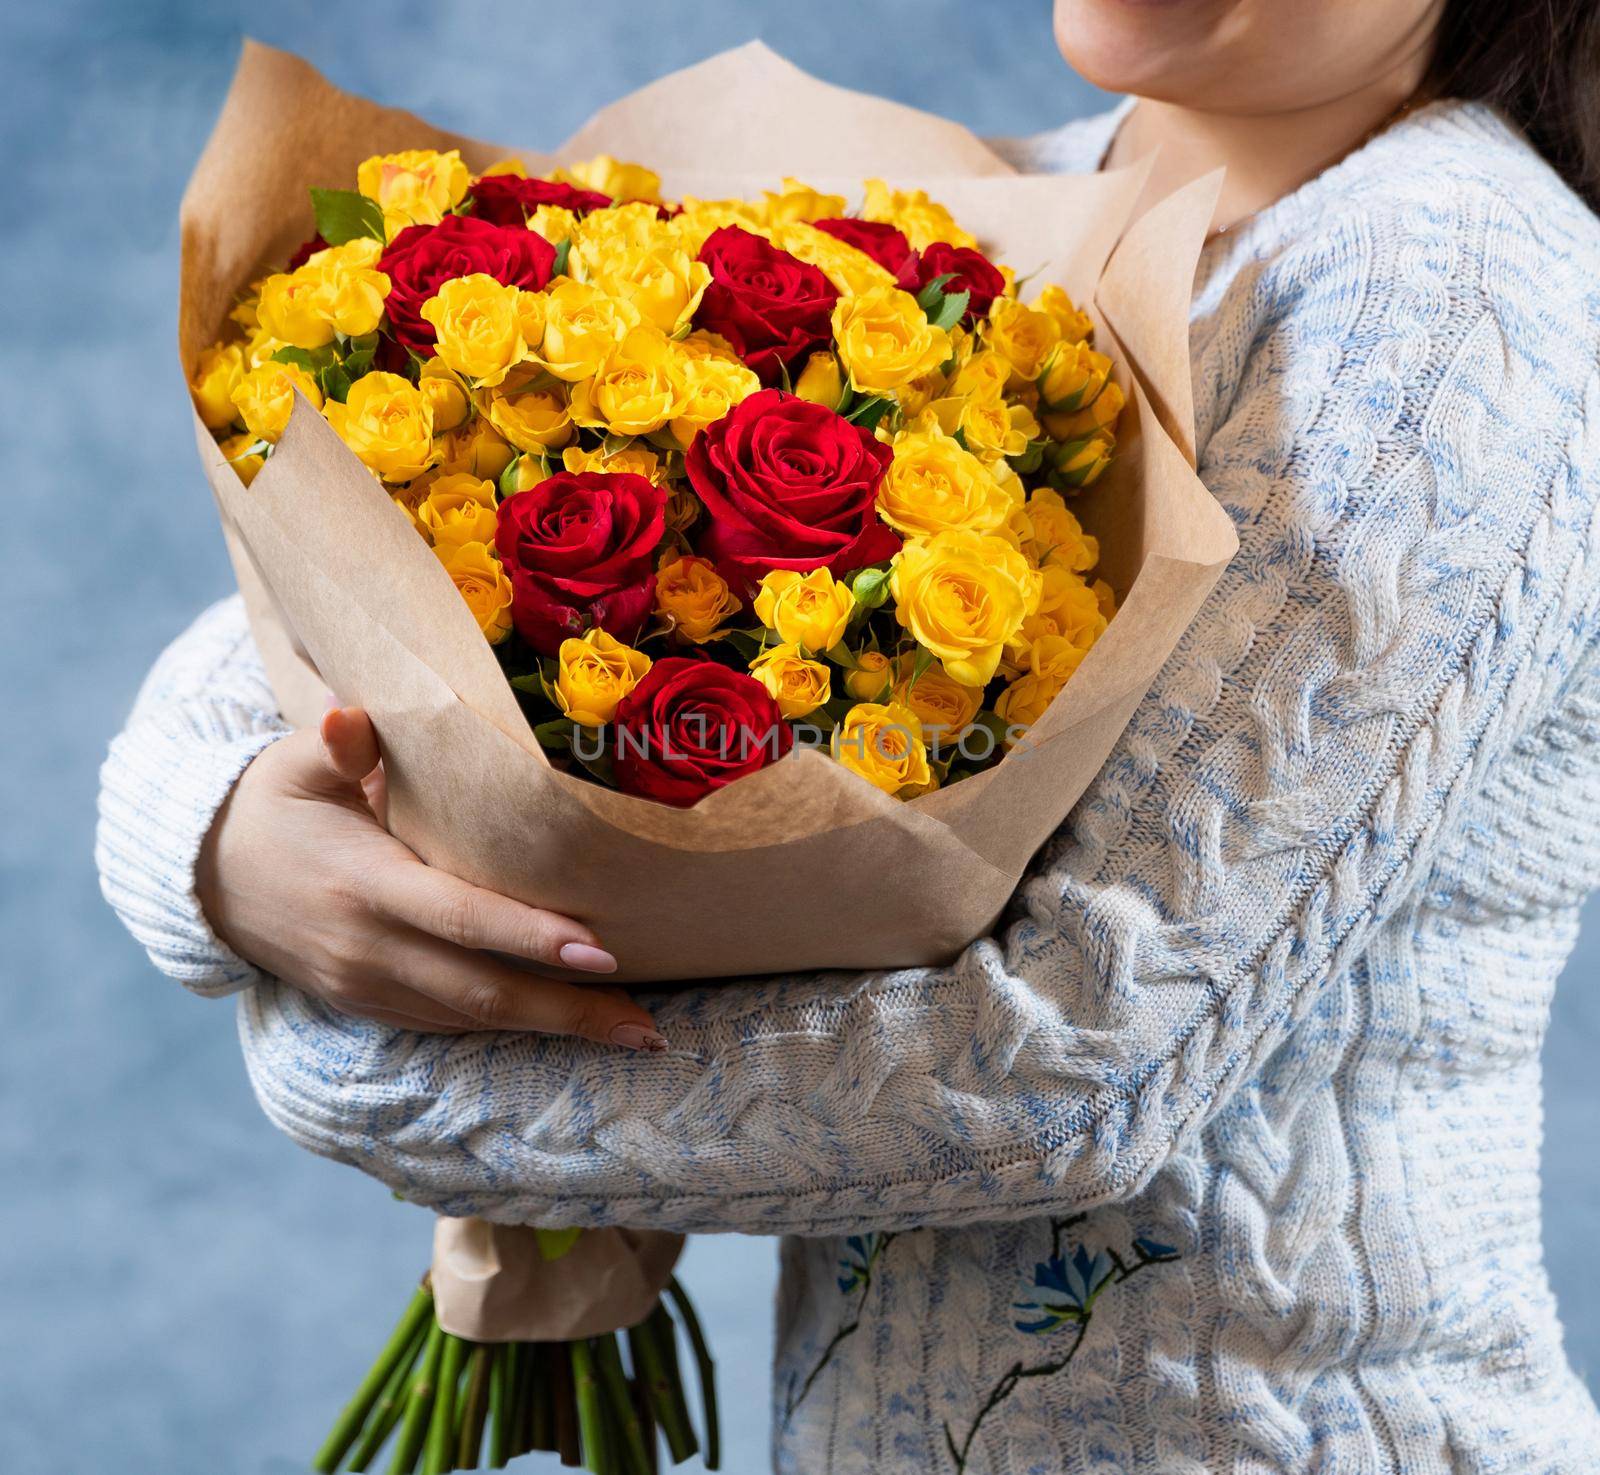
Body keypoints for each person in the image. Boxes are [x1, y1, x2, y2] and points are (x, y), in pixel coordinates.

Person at [99, 0, 1600, 1468]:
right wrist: (221, 839)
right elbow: (302, 610)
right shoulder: (1018, 208)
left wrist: (347, 1042)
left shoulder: (1461, 285)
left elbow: (1066, 1074)